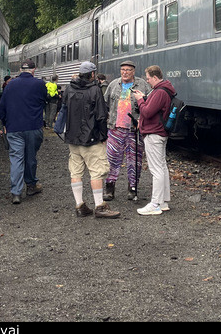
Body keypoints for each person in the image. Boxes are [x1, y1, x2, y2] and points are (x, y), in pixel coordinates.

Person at [60, 60, 120, 218]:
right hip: (91, 138)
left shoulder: (69, 87)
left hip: (73, 138)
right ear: (92, 74)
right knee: (97, 172)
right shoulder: (95, 90)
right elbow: (101, 115)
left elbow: (64, 107)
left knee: (76, 172)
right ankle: (100, 206)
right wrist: (103, 136)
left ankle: (80, 205)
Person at [0, 58, 50, 204]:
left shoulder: (10, 85)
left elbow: (1, 108)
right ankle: (31, 185)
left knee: (16, 159)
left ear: (20, 70)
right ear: (33, 70)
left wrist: (2, 124)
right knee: (30, 158)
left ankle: (16, 193)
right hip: (33, 127)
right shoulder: (40, 84)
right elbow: (45, 100)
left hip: (14, 128)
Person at [132, 65, 176, 216]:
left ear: (155, 78)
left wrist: (139, 101)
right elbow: (153, 106)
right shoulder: (164, 90)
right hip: (160, 132)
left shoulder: (159, 92)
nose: (147, 81)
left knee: (156, 169)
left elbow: (147, 111)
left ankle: (155, 204)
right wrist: (144, 98)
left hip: (153, 133)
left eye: (149, 78)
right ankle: (163, 201)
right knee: (162, 167)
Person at [103, 60, 150, 201]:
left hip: (134, 130)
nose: (125, 72)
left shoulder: (142, 85)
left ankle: (133, 189)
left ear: (133, 71)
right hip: (115, 129)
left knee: (134, 161)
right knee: (111, 160)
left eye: (128, 70)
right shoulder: (113, 85)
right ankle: (110, 189)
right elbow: (106, 104)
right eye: (123, 69)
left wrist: (141, 121)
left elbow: (149, 105)